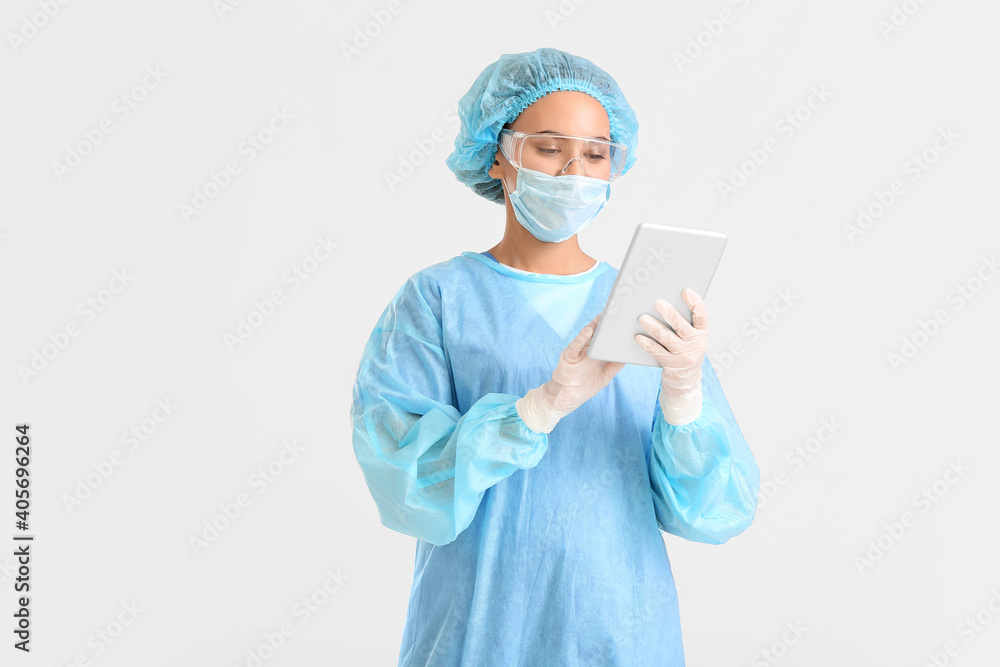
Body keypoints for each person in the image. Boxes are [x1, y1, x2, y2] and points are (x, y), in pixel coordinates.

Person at [350, 47, 760, 667]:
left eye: (596, 155)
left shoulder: (642, 305)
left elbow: (712, 513)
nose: (574, 171)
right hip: (482, 628)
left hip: (621, 631)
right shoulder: (439, 299)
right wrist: (539, 409)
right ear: (498, 153)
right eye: (549, 148)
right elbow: (405, 485)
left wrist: (682, 394)